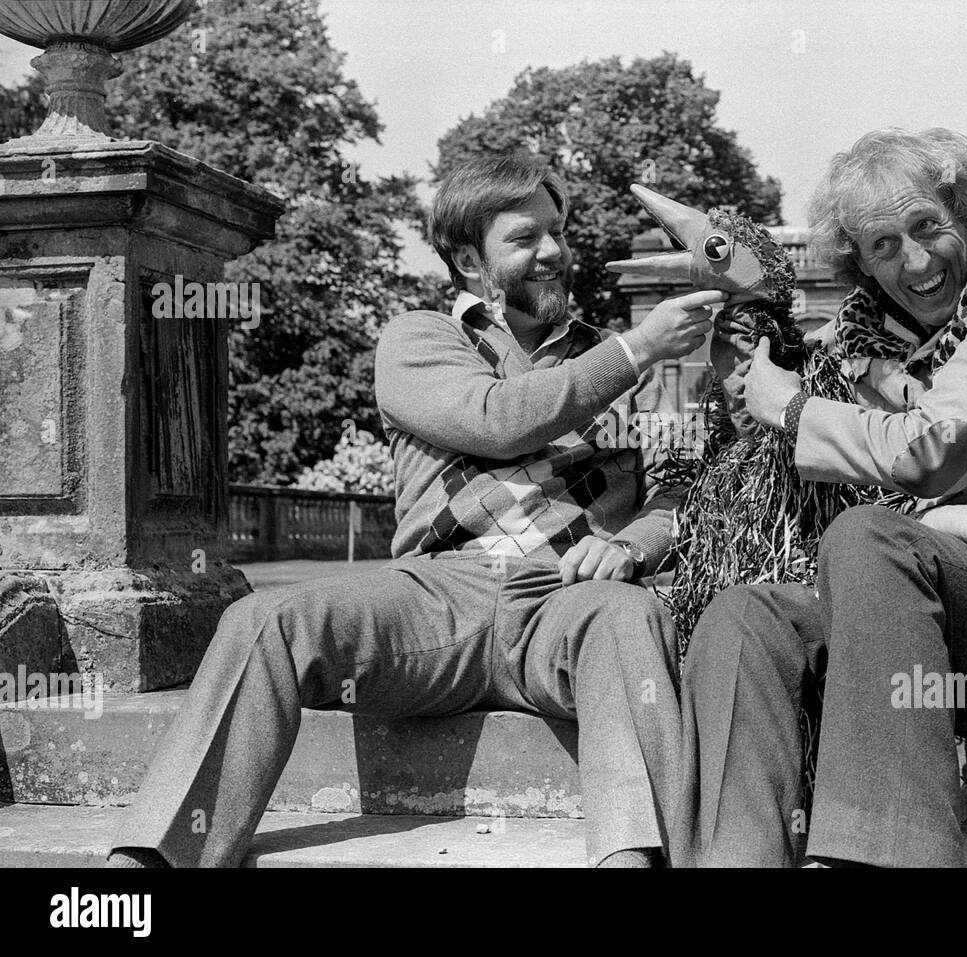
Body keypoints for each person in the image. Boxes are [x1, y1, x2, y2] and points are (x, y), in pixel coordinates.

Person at [108, 154, 726, 868]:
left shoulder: (627, 361)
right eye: (526, 237)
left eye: (558, 231)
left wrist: (635, 546)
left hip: (570, 597)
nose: (554, 251)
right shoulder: (422, 337)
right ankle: (155, 865)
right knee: (261, 619)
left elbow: (683, 487)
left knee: (630, 614)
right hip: (439, 595)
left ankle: (635, 862)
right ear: (468, 259)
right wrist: (638, 348)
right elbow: (495, 419)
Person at [673, 128, 967, 868]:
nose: (917, 260)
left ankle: (883, 859)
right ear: (858, 261)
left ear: (966, 212)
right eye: (885, 245)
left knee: (871, 536)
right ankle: (736, 858)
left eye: (927, 226)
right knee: (744, 614)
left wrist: (793, 409)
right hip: (911, 632)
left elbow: (937, 448)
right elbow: (776, 404)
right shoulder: (865, 331)